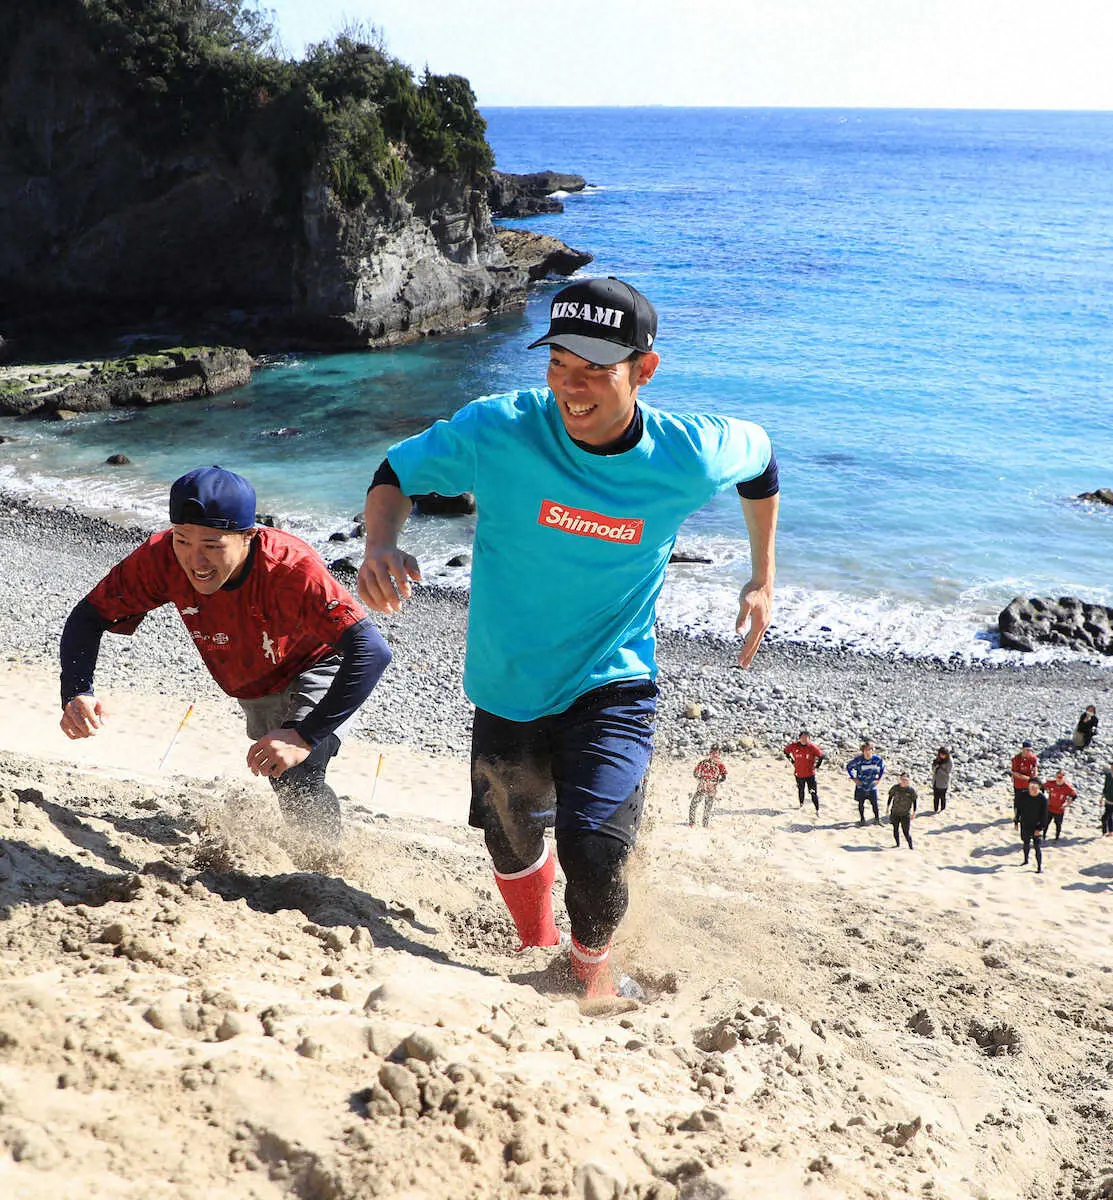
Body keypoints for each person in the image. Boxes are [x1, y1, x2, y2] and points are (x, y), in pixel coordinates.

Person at [357, 276, 779, 999]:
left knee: (594, 847)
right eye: (558, 365)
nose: (570, 389)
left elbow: (761, 462)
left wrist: (762, 577)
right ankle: (537, 943)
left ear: (644, 370)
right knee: (510, 840)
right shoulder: (499, 429)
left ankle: (590, 980)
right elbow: (397, 470)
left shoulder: (692, 452)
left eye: (593, 371)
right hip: (506, 680)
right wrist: (379, 544)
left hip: (613, 677)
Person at [59, 467, 391, 840]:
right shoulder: (162, 558)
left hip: (318, 663)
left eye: (212, 546)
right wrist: (77, 691)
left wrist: (303, 735)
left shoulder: (289, 569)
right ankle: (307, 846)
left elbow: (371, 651)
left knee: (300, 769)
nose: (195, 561)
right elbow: (89, 616)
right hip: (254, 685)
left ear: (248, 536)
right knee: (281, 775)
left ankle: (325, 862)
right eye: (183, 540)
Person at [783, 730, 824, 813]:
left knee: (813, 792)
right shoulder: (794, 746)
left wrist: (817, 766)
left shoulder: (812, 747)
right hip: (799, 774)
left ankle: (817, 810)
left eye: (806, 738)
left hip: (810, 774)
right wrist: (792, 761)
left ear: (809, 739)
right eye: (802, 738)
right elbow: (785, 751)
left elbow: (821, 756)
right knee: (801, 789)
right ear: (799, 738)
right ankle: (801, 804)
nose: (804, 739)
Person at [846, 741, 885, 826]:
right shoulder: (858, 760)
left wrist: (878, 779)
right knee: (861, 803)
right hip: (861, 786)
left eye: (870, 750)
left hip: (872, 786)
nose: (868, 752)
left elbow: (882, 767)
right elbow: (848, 767)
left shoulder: (877, 759)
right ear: (863, 751)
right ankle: (862, 820)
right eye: (866, 750)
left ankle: (877, 819)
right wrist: (853, 778)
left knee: (875, 804)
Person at [1016, 778, 1049, 873]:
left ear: (1039, 786)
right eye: (1031, 784)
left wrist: (1040, 828)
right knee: (1025, 843)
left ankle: (1039, 868)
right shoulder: (1023, 795)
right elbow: (1018, 809)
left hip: (1037, 825)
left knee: (1037, 846)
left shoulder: (1042, 798)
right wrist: (1016, 821)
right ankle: (1025, 860)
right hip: (1025, 823)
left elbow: (1044, 815)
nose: (1033, 786)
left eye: (1035, 784)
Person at [689, 746, 728, 828]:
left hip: (712, 789)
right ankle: (692, 822)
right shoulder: (703, 763)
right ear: (710, 754)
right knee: (694, 804)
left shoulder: (720, 765)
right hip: (702, 787)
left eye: (716, 754)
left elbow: (724, 777)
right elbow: (695, 773)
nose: (714, 755)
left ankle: (705, 824)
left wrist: (716, 782)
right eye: (712, 753)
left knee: (708, 808)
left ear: (719, 755)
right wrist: (700, 780)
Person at [1010, 741, 1039, 828]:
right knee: (1018, 801)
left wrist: (1035, 775)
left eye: (1030, 750)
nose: (1028, 752)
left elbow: (1035, 767)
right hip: (1019, 784)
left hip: (1028, 785)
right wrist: (1029, 779)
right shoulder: (1016, 759)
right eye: (1027, 750)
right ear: (1022, 749)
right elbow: (1015, 773)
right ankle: (1016, 817)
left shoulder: (1033, 758)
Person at [886, 772, 917, 848]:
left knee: (906, 832)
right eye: (902, 779)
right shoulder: (895, 788)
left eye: (906, 780)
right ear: (900, 779)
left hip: (905, 814)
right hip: (895, 812)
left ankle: (911, 846)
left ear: (908, 781)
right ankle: (897, 844)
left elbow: (914, 801)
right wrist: (887, 807)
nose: (904, 781)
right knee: (895, 829)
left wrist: (914, 812)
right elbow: (890, 797)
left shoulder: (911, 790)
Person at [1044, 769, 1077, 840]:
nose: (1059, 779)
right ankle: (1043, 836)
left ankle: (1056, 838)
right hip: (1050, 808)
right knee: (1046, 823)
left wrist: (1067, 805)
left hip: (1059, 810)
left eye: (1061, 777)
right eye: (1057, 777)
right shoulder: (1051, 783)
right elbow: (1042, 787)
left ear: (1064, 778)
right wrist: (1044, 799)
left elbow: (1074, 796)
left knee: (1058, 825)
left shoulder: (1066, 787)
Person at [931, 746, 953, 813]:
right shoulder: (938, 759)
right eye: (941, 754)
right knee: (935, 796)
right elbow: (933, 769)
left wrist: (940, 767)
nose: (942, 756)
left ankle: (942, 809)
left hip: (944, 781)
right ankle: (935, 809)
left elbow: (948, 772)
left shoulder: (949, 761)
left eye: (943, 754)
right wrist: (935, 765)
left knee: (942, 796)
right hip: (936, 780)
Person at [1102, 765, 1113, 838]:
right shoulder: (1108, 775)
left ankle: (1105, 831)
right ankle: (1109, 832)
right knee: (1108, 816)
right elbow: (1105, 787)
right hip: (1107, 800)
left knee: (1105, 817)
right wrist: (1102, 798)